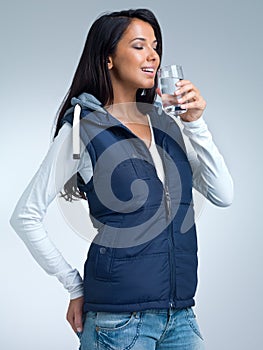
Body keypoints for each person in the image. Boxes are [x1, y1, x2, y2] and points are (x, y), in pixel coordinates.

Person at [9, 8, 233, 350]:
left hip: (182, 317)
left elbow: (223, 193)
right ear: (108, 58)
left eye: (155, 46)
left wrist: (196, 124)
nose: (153, 55)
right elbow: (25, 216)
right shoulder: (83, 129)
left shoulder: (168, 126)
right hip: (118, 322)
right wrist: (75, 287)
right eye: (139, 45)